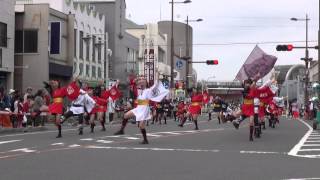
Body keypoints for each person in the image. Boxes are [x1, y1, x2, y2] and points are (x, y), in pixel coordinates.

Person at [114, 76, 169, 144]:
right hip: (139, 108)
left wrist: (157, 76)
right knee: (126, 115)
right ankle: (122, 130)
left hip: (144, 109)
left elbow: (155, 86)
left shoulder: (149, 90)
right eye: (140, 79)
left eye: (143, 79)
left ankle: (145, 140)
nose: (141, 80)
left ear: (146, 82)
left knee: (141, 126)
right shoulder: (139, 90)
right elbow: (132, 84)